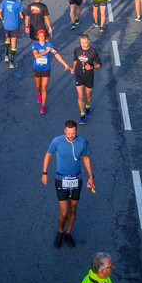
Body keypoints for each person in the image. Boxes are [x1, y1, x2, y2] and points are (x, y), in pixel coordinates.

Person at [44, 120, 95, 249]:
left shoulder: (82, 142)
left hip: (77, 180)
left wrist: (91, 177)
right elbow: (48, 155)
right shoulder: (57, 141)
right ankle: (60, 231)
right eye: (68, 133)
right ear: (64, 131)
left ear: (76, 131)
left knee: (73, 209)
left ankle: (68, 233)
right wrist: (44, 173)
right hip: (61, 180)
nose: (71, 136)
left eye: (73, 133)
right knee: (64, 211)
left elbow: (86, 158)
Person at [28, 26, 72, 116]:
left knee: (44, 87)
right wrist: (45, 52)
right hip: (36, 68)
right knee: (38, 86)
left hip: (46, 68)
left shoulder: (49, 45)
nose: (41, 37)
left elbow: (56, 55)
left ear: (45, 36)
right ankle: (39, 93)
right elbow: (36, 56)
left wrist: (65, 64)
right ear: (37, 36)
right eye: (39, 36)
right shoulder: (35, 45)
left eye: (43, 36)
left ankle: (43, 107)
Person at [70, 33, 102, 124]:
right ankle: (82, 114)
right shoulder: (77, 50)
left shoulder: (93, 52)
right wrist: (73, 68)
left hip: (89, 77)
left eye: (85, 43)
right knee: (80, 96)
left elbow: (100, 64)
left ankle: (88, 107)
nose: (83, 45)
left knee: (88, 95)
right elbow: (75, 59)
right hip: (79, 76)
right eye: (81, 43)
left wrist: (92, 67)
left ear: (89, 42)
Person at [0, 0, 25, 68]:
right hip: (14, 26)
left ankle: (6, 56)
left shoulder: (5, 0)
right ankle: (12, 63)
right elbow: (21, 15)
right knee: (14, 44)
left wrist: (3, 20)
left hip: (6, 25)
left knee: (7, 39)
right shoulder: (18, 3)